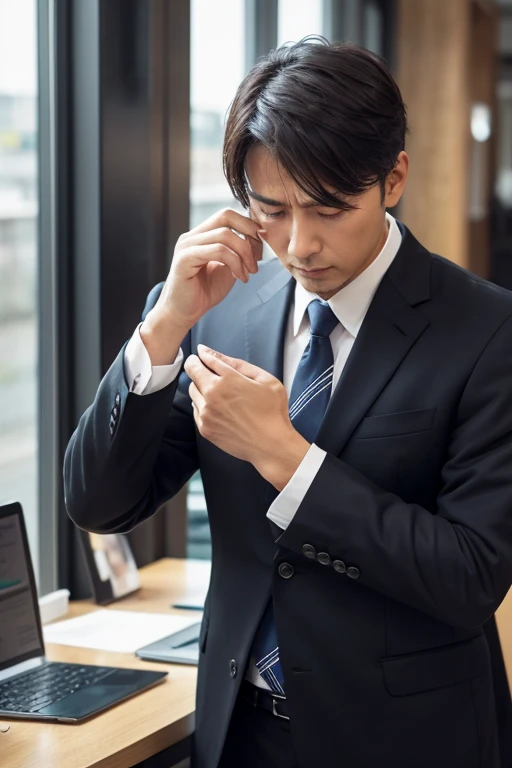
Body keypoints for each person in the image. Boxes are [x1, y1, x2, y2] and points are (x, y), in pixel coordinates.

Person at [64, 38, 512, 768]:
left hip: (407, 741)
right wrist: (164, 326)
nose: (299, 244)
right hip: (238, 732)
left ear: (393, 178)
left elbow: (469, 577)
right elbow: (99, 504)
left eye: (329, 209)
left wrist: (288, 458)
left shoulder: (488, 331)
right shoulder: (217, 313)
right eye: (270, 210)